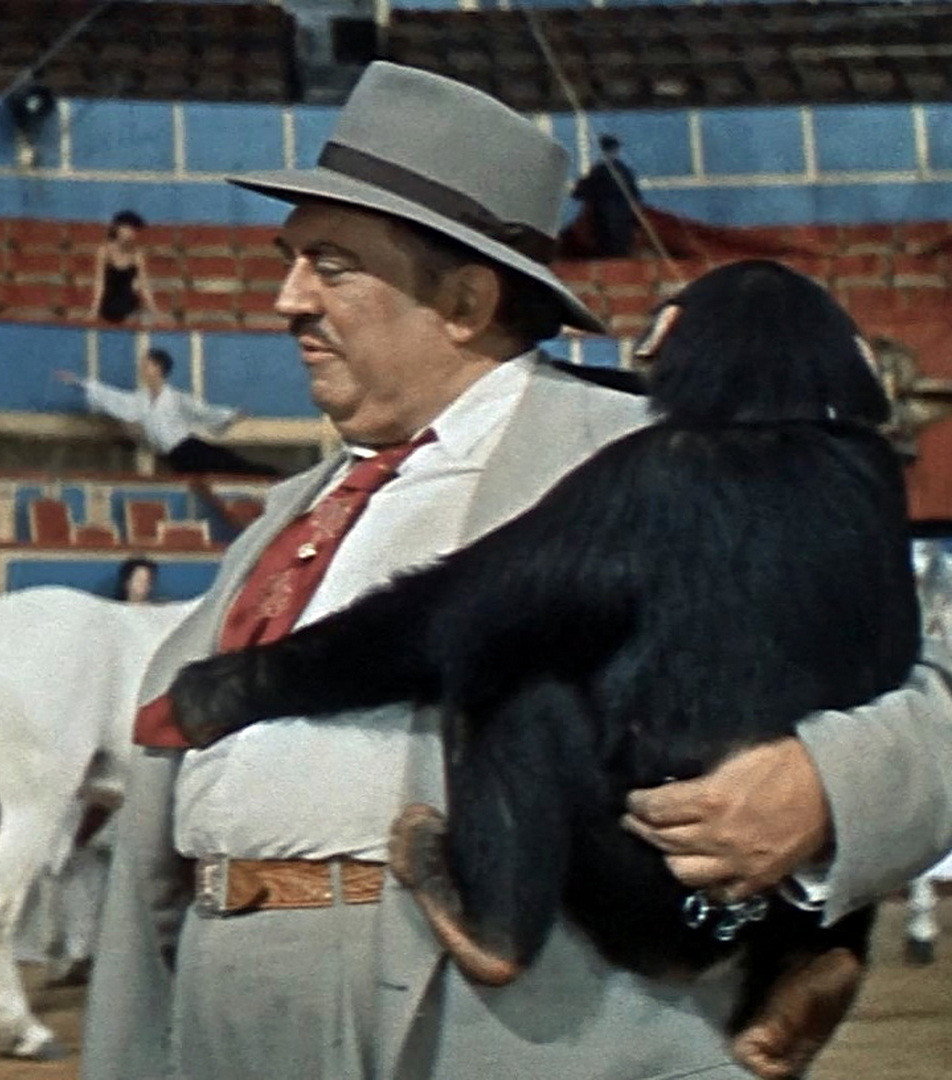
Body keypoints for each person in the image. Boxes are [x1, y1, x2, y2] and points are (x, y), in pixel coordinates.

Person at [82, 62, 952, 1080]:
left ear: (464, 299)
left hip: (524, 1040)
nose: (288, 299)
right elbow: (155, 858)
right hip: (227, 1018)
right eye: (290, 261)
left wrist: (824, 790)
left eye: (331, 265)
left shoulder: (670, 449)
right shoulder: (280, 519)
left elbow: (908, 684)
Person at [57, 348, 281, 477]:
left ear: (158, 368)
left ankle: (275, 474)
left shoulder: (175, 398)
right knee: (207, 478)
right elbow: (112, 397)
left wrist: (230, 416)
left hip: (189, 448)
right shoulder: (139, 400)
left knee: (233, 465)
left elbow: (202, 412)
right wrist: (80, 383)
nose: (142, 368)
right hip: (172, 456)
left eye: (147, 364)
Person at [571, 134, 643, 258]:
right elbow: (636, 198)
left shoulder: (598, 172)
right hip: (621, 227)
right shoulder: (625, 172)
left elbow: (578, 193)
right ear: (616, 150)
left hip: (602, 226)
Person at [88, 210, 161, 324]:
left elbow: (144, 286)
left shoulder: (137, 255)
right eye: (128, 228)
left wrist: (155, 311)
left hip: (129, 306)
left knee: (145, 320)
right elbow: (100, 283)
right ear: (117, 229)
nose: (131, 233)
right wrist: (94, 310)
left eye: (134, 230)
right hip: (108, 305)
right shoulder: (104, 252)